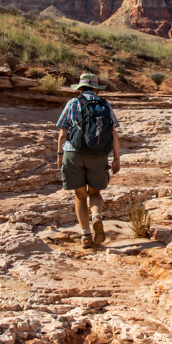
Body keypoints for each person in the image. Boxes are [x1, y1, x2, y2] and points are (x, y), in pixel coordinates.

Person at [56, 73, 121, 248]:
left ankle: (85, 236)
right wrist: (116, 158)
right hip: (98, 155)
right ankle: (97, 216)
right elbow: (114, 133)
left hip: (73, 153)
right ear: (95, 88)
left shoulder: (73, 103)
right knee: (95, 194)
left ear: (80, 87)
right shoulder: (105, 104)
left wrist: (59, 155)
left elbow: (62, 134)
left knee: (80, 195)